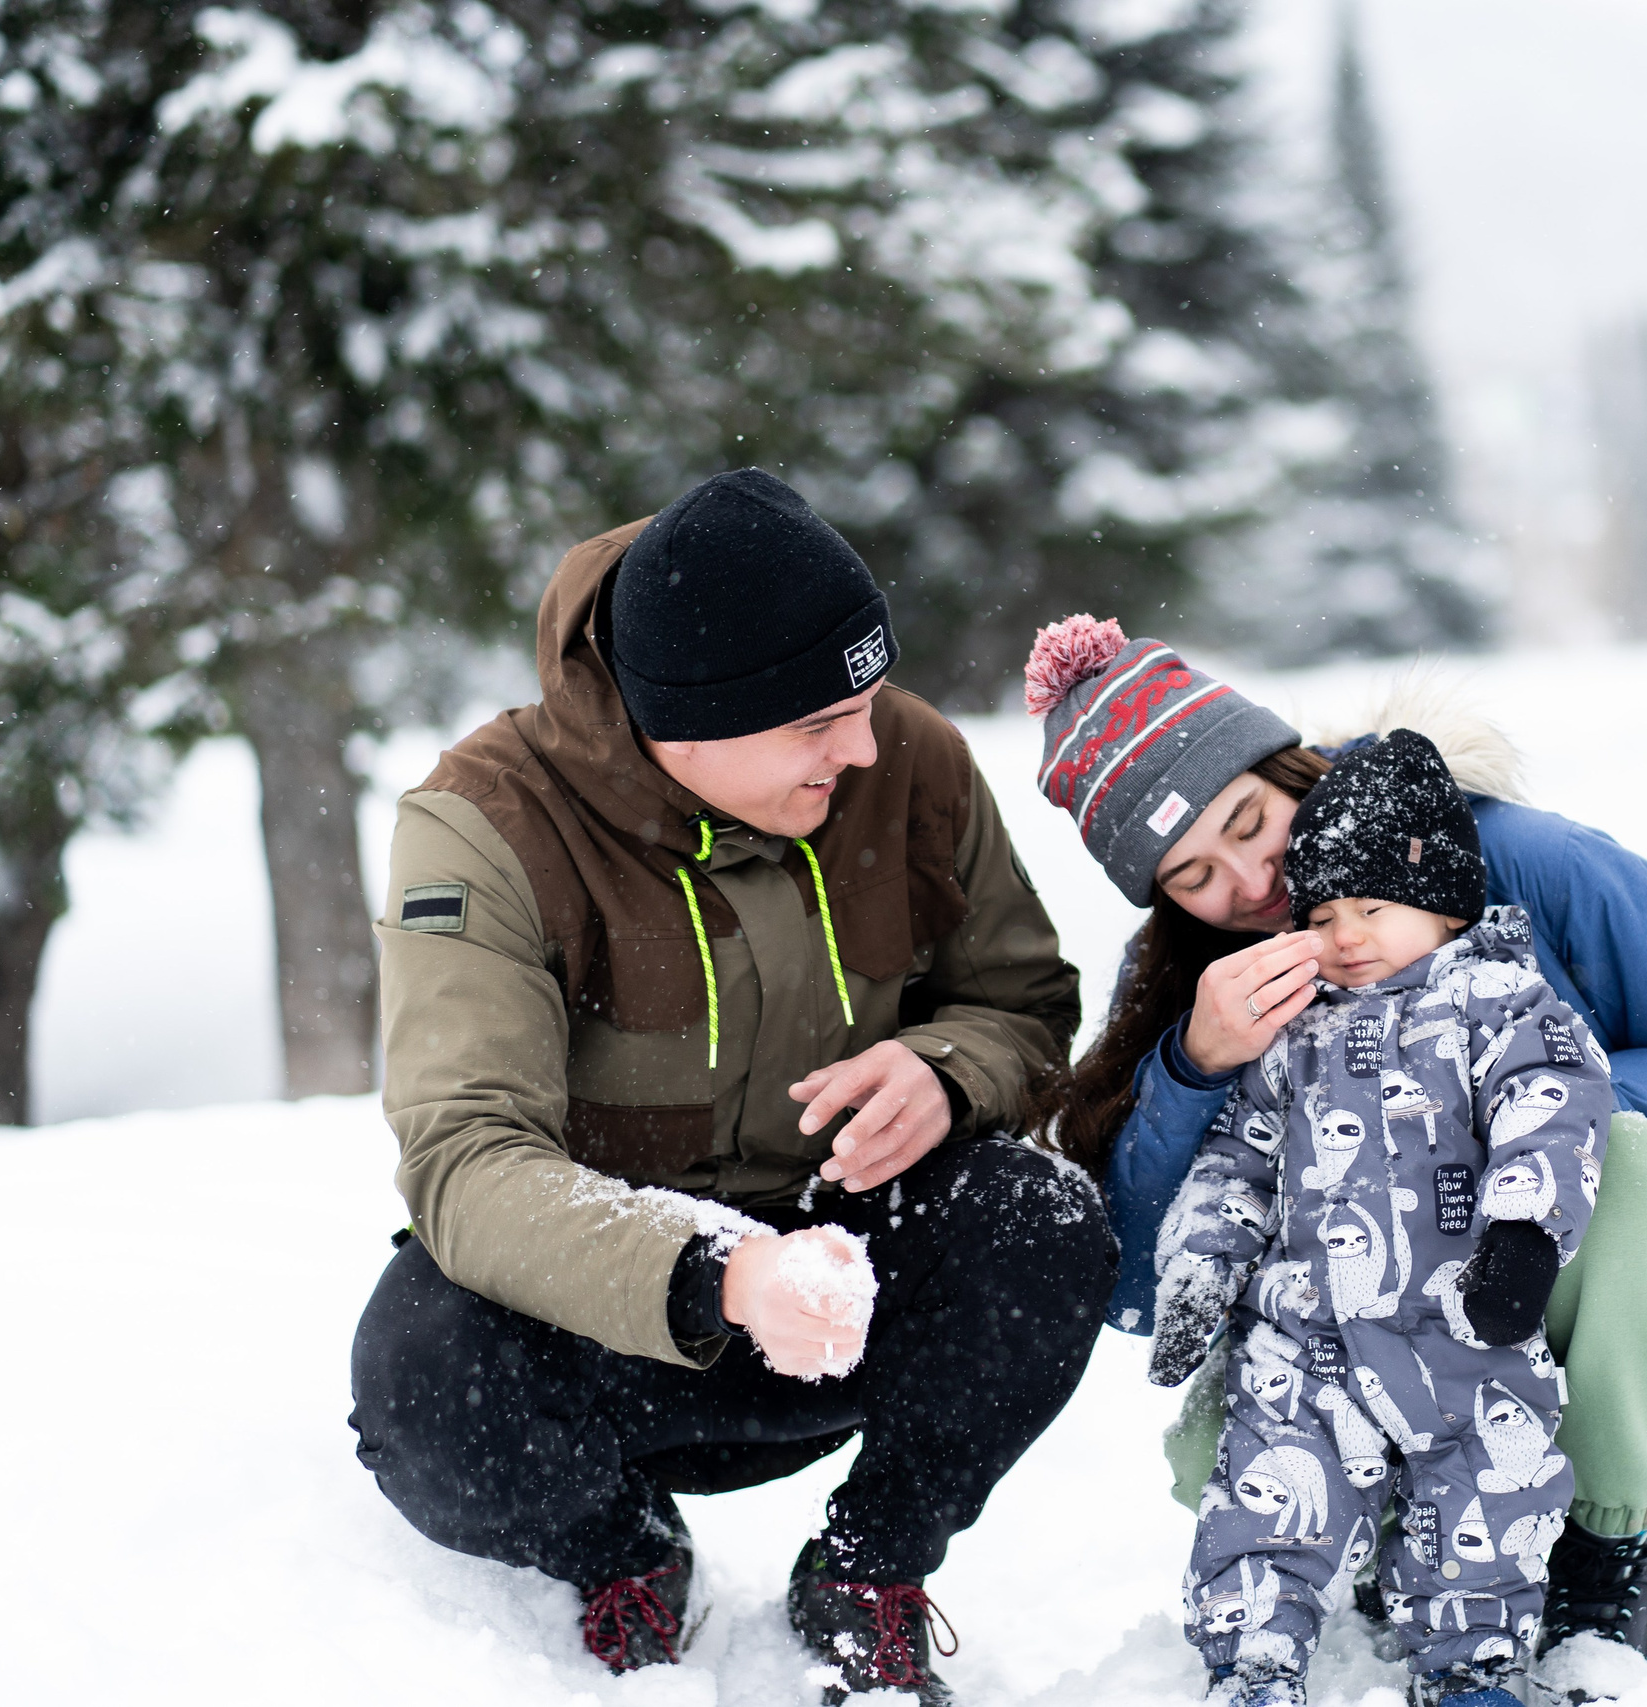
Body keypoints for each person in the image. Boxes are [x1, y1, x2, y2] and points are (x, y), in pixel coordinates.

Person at [347, 470, 1113, 1702]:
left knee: (1044, 1218)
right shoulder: (483, 825)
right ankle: (621, 1552)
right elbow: (466, 1159)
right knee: (424, 1379)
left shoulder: (907, 761)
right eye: (819, 723)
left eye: (866, 702)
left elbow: (1021, 1007)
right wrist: (716, 1276)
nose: (862, 746)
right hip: (612, 1301)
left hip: (851, 1273)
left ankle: (868, 1569)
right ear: (689, 722)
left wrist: (946, 1072)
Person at [1022, 615, 1647, 1673]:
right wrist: (1193, 1069)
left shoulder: (1527, 862)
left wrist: (1503, 1109)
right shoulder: (1197, 983)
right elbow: (1133, 1293)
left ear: (1284, 762)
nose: (1249, 885)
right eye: (1192, 876)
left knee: (1626, 1160)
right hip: (1334, 1354)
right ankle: (1353, 1548)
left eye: (1251, 820)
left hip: (1566, 1295)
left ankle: (1600, 1540)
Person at [1153, 730, 1614, 1707]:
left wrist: (1523, 1237)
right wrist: (1199, 1266)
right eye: (1322, 912)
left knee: (1492, 1487)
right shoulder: (1293, 1035)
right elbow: (1238, 1159)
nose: (1346, 933)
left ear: (1446, 906)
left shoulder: (1501, 1006)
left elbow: (1551, 1107)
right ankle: (1249, 1667)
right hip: (1305, 1334)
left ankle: (1471, 1665)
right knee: (1264, 1501)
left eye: (1373, 906)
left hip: (1458, 1324)